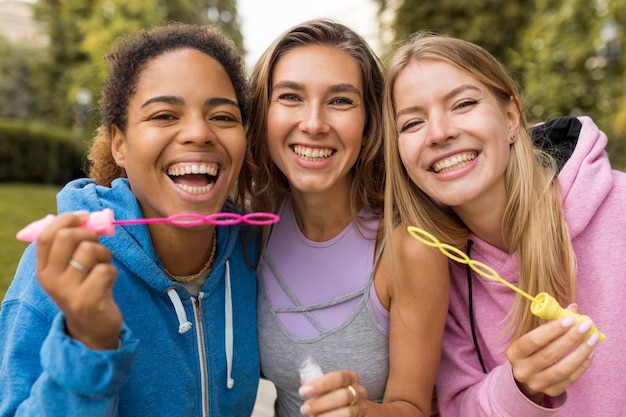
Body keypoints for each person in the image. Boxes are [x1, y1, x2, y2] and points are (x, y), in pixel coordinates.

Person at [0, 23, 261, 416]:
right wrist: (89, 346)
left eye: (223, 116)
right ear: (119, 144)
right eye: (164, 115)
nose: (198, 132)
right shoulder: (62, 271)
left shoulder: (252, 251)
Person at [383, 31, 626, 416]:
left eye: (462, 104)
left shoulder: (620, 211)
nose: (439, 132)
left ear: (511, 117)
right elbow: (456, 407)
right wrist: (520, 389)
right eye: (412, 123)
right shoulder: (435, 268)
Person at [246, 19, 449, 417]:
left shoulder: (409, 246)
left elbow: (412, 407)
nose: (314, 123)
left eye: (340, 101)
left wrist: (361, 411)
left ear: (369, 120)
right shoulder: (255, 224)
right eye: (290, 97)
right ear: (263, 112)